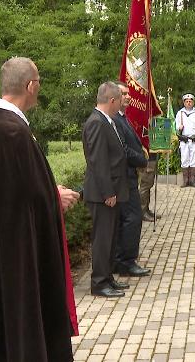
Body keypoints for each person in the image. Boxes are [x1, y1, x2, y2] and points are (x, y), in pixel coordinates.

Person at [0, 57, 79, 361]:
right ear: (30, 86)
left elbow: (14, 189)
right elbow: (17, 199)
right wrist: (55, 199)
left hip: (8, 248)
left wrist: (50, 192)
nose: (39, 88)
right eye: (38, 81)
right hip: (16, 256)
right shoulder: (9, 131)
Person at [82, 82, 129, 298]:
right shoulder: (96, 123)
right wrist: (108, 192)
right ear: (112, 101)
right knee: (102, 239)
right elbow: (98, 161)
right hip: (103, 194)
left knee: (109, 238)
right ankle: (99, 282)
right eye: (120, 99)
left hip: (111, 191)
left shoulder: (106, 121)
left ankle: (108, 276)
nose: (122, 102)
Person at [113, 82, 151, 277]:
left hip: (128, 177)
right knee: (132, 219)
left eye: (128, 94)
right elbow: (123, 149)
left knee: (129, 219)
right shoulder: (115, 120)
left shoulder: (122, 118)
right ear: (114, 96)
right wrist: (141, 159)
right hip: (124, 178)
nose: (129, 97)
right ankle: (126, 262)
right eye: (124, 94)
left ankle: (123, 260)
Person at [176, 93, 195, 187]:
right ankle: (185, 181)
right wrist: (178, 127)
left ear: (193, 102)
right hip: (184, 140)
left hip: (194, 140)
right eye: (187, 101)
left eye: (190, 101)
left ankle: (192, 180)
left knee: (193, 160)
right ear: (184, 103)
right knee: (184, 159)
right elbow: (175, 126)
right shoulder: (180, 113)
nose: (188, 103)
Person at [139, 151, 161, 221]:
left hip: (152, 156)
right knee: (145, 186)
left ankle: (146, 209)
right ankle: (142, 211)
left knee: (149, 185)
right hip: (146, 158)